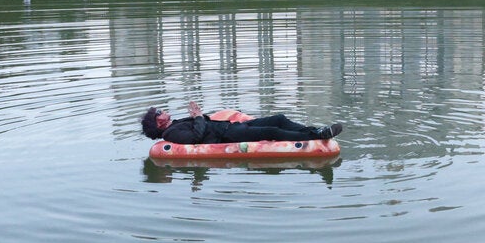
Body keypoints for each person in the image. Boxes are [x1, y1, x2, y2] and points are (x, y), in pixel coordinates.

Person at [141, 101, 343, 144]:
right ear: (158, 123)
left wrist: (199, 116)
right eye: (158, 112)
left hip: (231, 127)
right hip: (228, 137)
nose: (163, 110)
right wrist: (198, 116)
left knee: (278, 118)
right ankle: (317, 136)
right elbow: (196, 137)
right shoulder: (170, 134)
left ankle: (316, 130)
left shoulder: (175, 124)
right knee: (272, 130)